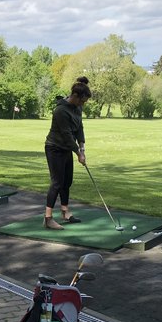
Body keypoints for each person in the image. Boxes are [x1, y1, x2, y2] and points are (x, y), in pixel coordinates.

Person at [43, 77, 90, 229]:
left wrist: (82, 148)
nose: (83, 104)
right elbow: (67, 135)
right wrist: (78, 153)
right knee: (56, 183)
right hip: (54, 147)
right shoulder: (60, 111)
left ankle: (65, 212)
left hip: (66, 149)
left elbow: (79, 128)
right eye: (82, 101)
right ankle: (48, 218)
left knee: (67, 181)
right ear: (75, 96)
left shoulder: (78, 108)